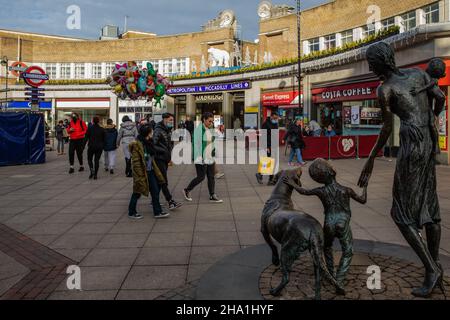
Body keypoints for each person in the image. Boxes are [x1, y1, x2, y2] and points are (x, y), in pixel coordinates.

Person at [358, 42, 446, 297]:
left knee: (401, 213)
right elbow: (439, 98)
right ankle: (435, 265)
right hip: (428, 143)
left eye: (371, 63)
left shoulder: (384, 89)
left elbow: (386, 130)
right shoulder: (418, 74)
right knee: (429, 205)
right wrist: (432, 117)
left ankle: (432, 268)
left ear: (376, 65)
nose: (371, 67)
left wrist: (371, 158)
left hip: (411, 144)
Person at [284, 158, 367, 289]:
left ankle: (329, 273)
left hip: (329, 223)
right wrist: (365, 187)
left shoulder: (321, 191)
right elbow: (363, 200)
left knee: (326, 247)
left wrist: (292, 184)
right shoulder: (346, 190)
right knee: (348, 251)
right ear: (332, 171)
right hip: (342, 222)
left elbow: (304, 191)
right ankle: (339, 279)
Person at [128, 125, 170, 220]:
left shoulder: (149, 143)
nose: (152, 133)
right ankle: (131, 211)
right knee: (137, 192)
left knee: (155, 191)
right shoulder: (137, 145)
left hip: (151, 171)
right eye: (151, 132)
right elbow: (136, 162)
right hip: (142, 173)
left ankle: (157, 212)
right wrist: (140, 175)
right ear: (147, 133)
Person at [183, 112, 223, 203]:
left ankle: (212, 195)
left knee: (211, 176)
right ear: (204, 120)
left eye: (212, 121)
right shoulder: (198, 130)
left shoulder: (210, 128)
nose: (211, 123)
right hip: (201, 157)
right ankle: (187, 190)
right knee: (201, 177)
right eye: (209, 121)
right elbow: (196, 145)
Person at [153, 113, 182, 210]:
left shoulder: (168, 130)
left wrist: (169, 157)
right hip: (159, 158)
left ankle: (154, 200)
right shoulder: (158, 130)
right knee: (163, 180)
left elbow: (169, 145)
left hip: (165, 158)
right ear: (164, 119)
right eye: (170, 120)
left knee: (159, 181)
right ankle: (170, 201)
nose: (171, 122)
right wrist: (164, 151)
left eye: (172, 120)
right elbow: (153, 144)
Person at [256, 113, 279, 186]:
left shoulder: (275, 124)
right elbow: (263, 136)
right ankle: (262, 175)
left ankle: (268, 178)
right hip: (269, 146)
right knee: (269, 161)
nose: (276, 120)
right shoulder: (265, 124)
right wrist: (266, 147)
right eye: (275, 118)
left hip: (274, 145)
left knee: (272, 162)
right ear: (271, 116)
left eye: (276, 118)